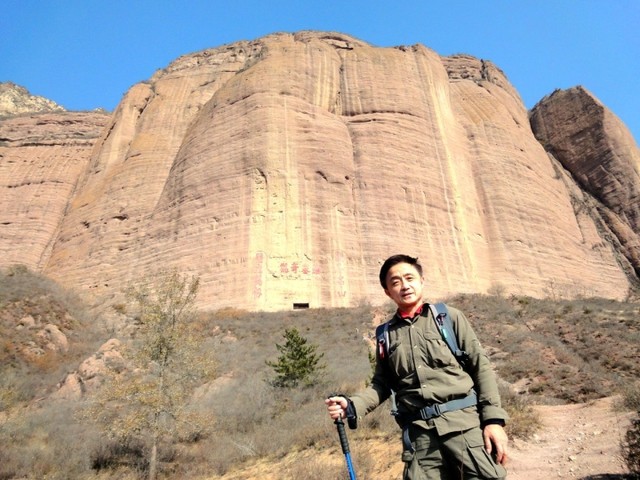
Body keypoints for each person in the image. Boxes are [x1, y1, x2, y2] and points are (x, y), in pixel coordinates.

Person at [326, 254, 509, 479]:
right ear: (387, 292)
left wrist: (493, 421)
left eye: (409, 278)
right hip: (420, 440)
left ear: (422, 281)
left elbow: (481, 367)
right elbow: (382, 384)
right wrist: (352, 405)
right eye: (395, 282)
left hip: (465, 429)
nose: (404, 286)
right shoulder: (385, 335)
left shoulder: (448, 318)